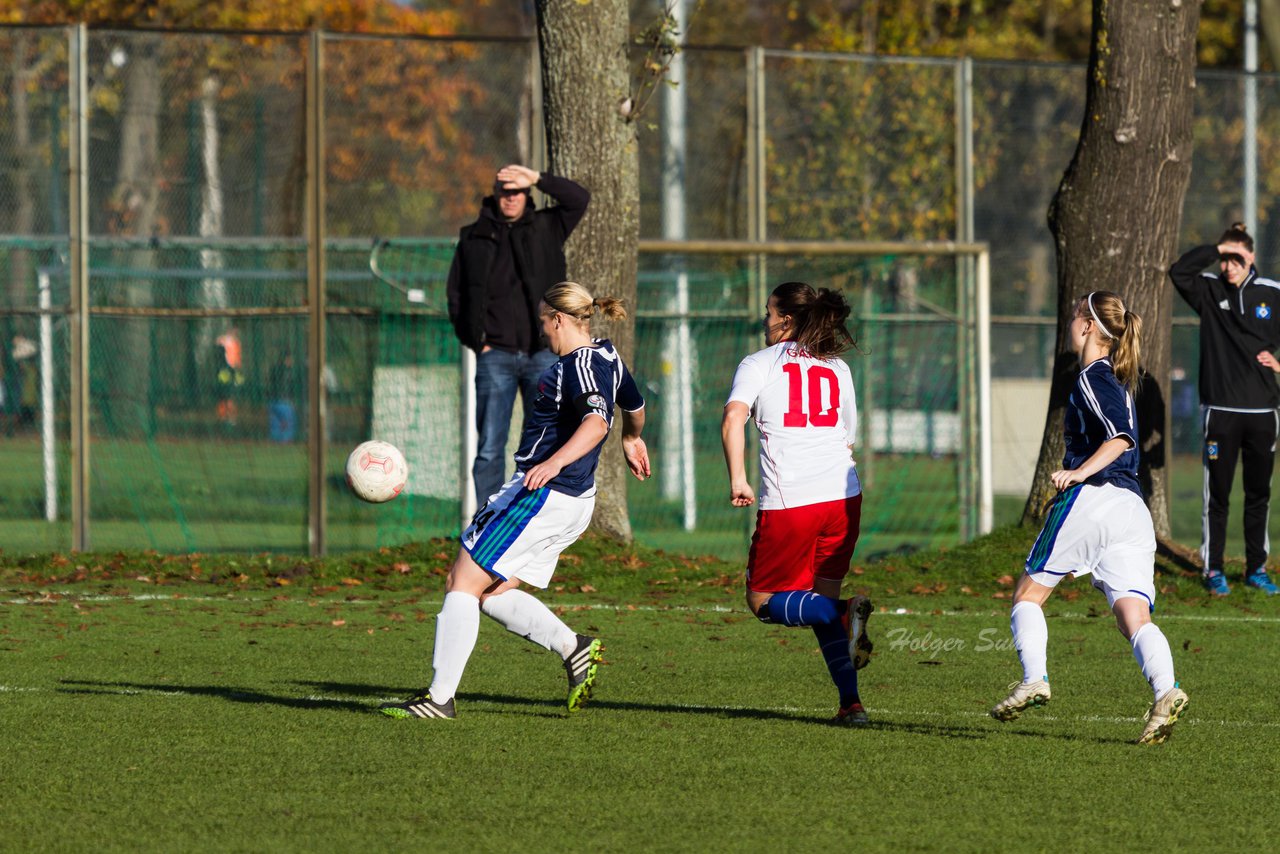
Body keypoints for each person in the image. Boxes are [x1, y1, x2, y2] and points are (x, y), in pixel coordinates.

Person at [381, 281, 650, 720]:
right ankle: (574, 647)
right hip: (573, 502)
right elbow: (632, 405)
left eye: (544, 321)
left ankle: (438, 700)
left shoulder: (578, 364)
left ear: (559, 319)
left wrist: (553, 464)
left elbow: (597, 423)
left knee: (461, 583)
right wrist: (634, 436)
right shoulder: (606, 353)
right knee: (489, 592)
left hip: (543, 494)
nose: (542, 331)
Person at [990, 291, 1189, 744]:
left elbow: (1120, 438)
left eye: (1076, 310)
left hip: (1095, 499)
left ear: (1086, 326)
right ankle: (1166, 692)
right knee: (1133, 616)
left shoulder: (1094, 377)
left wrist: (1078, 471)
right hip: (1131, 511)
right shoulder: (1116, 378)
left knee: (1027, 594)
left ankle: (1035, 678)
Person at [720, 281, 873, 726]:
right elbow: (848, 437)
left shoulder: (759, 363)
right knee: (821, 601)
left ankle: (844, 613)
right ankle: (852, 704)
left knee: (762, 601)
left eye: (769, 312)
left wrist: (738, 478)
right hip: (844, 499)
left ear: (786, 319)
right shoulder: (837, 368)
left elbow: (733, 418)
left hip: (793, 501)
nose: (764, 321)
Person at [447, 163, 591, 508]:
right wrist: (476, 341)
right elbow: (456, 295)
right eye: (505, 191)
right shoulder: (473, 237)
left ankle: (533, 512)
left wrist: (538, 178)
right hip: (494, 354)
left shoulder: (547, 226)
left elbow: (579, 199)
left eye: (518, 191)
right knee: (489, 448)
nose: (510, 198)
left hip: (542, 355)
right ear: (494, 194)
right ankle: (487, 517)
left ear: (527, 194)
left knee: (544, 441)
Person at [1169, 223, 1280, 595]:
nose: (1230, 266)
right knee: (1217, 495)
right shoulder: (1208, 290)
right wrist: (1218, 247)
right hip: (1220, 411)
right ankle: (1213, 569)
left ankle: (1256, 570)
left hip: (1264, 413)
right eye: (1226, 259)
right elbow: (1178, 271)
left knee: (1258, 494)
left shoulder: (1272, 293)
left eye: (1237, 259)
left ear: (1251, 258)